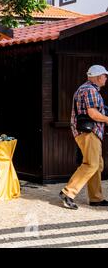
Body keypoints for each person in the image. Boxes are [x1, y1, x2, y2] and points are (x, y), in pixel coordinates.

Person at [59, 65, 108, 210]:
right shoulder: (90, 90)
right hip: (89, 132)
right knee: (91, 164)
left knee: (97, 165)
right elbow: (93, 114)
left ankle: (96, 198)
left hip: (90, 132)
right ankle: (68, 193)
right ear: (99, 77)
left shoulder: (86, 89)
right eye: (105, 76)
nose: (106, 79)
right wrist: (107, 119)